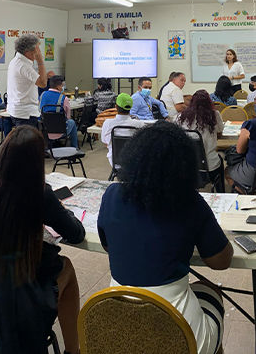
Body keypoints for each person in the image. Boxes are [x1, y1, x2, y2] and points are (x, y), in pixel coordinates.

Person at [98, 123, 233, 354]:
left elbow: (108, 245)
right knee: (211, 291)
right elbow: (221, 262)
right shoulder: (190, 202)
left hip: (117, 326)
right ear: (185, 166)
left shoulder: (111, 195)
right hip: (180, 336)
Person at [0, 126, 85, 354]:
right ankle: (73, 350)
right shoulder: (40, 193)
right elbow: (76, 233)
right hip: (21, 288)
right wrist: (61, 210)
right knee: (67, 267)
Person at [176, 90, 225, 192]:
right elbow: (220, 131)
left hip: (189, 165)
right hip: (210, 166)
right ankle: (221, 191)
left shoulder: (181, 116)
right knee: (220, 158)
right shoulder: (214, 115)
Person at [8, 35, 48, 128]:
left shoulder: (15, 61)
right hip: (25, 114)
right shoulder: (23, 65)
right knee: (29, 142)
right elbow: (43, 83)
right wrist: (40, 61)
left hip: (18, 111)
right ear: (29, 52)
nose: (39, 52)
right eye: (37, 48)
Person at [101, 93, 149, 167]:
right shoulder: (139, 124)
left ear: (116, 107)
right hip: (135, 163)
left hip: (115, 162)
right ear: (131, 107)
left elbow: (105, 142)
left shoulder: (108, 123)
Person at [39, 75, 79, 149]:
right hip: (60, 132)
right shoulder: (64, 98)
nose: (63, 87)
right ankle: (75, 148)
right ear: (58, 86)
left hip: (45, 131)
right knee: (72, 122)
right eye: (62, 85)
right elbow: (67, 117)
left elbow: (39, 110)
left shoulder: (42, 95)